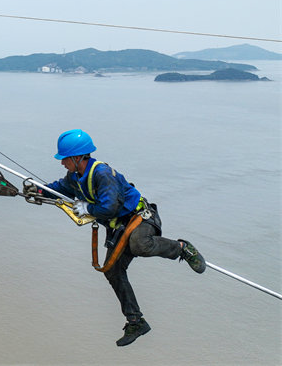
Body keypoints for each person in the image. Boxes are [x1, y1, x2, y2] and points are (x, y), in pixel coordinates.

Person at [43, 129, 206, 347]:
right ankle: (135, 321)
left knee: (140, 245)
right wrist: (37, 190)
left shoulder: (102, 174)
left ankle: (182, 248)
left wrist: (86, 207)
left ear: (77, 157)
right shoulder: (74, 177)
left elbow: (109, 207)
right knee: (112, 271)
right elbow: (59, 189)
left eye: (64, 159)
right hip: (120, 228)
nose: (62, 163)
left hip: (141, 219)